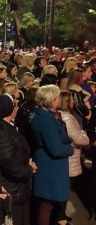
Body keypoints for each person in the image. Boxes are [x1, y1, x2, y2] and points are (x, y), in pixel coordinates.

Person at [30, 85, 74, 225]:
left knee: (48, 203)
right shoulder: (46, 120)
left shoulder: (44, 115)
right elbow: (55, 149)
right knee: (47, 205)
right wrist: (70, 148)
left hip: (49, 165)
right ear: (52, 99)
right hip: (50, 167)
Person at [0, 94, 36, 225]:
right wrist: (28, 168)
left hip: (17, 188)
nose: (18, 109)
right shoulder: (2, 132)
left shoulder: (7, 126)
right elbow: (8, 164)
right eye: (15, 106)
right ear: (9, 110)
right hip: (13, 190)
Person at [57, 90, 90, 224]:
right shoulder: (67, 118)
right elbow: (79, 138)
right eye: (71, 100)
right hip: (70, 158)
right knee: (65, 189)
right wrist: (84, 134)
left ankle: (61, 215)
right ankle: (60, 217)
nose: (73, 103)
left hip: (70, 157)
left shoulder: (62, 115)